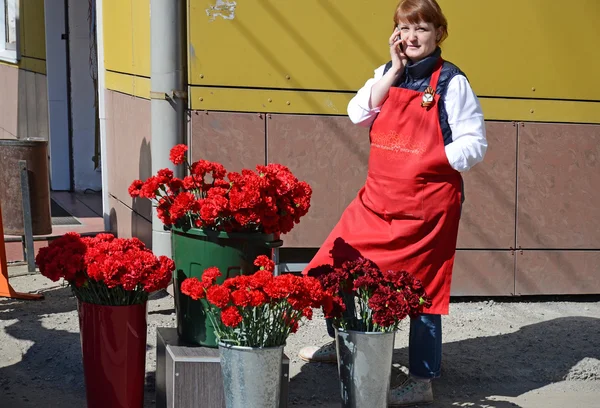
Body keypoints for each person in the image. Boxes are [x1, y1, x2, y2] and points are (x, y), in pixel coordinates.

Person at [299, 0, 487, 405]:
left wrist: (429, 160)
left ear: (440, 32)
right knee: (336, 264)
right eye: (405, 28)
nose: (412, 36)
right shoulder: (387, 74)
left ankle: (421, 381)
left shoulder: (452, 82)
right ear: (395, 34)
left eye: (421, 28)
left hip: (427, 210)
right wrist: (395, 70)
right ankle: (343, 342)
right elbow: (357, 113)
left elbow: (475, 144)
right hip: (376, 201)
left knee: (424, 293)